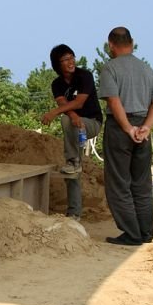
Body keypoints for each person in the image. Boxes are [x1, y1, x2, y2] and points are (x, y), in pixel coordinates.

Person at [99, 27, 153, 246]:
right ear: (132, 42)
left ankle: (131, 233)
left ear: (111, 45)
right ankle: (147, 231)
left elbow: (113, 100)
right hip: (143, 128)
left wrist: (127, 128)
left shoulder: (110, 68)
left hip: (120, 128)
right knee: (142, 183)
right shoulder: (147, 69)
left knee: (119, 183)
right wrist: (146, 127)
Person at [41, 44, 103, 220]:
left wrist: (55, 113)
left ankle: (73, 160)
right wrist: (73, 115)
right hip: (74, 125)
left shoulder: (85, 76)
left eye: (72, 57)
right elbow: (64, 104)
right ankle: (74, 212)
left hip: (92, 123)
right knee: (71, 172)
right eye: (65, 59)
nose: (71, 62)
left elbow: (79, 102)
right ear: (57, 64)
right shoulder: (57, 84)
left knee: (64, 119)